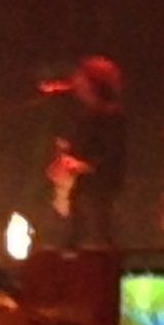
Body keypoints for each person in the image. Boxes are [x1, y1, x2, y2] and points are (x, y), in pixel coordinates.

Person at [40, 55, 127, 252]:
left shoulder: (111, 115)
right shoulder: (85, 115)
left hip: (98, 189)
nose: (75, 81)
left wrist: (76, 163)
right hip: (81, 188)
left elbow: (110, 156)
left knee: (95, 240)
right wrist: (62, 158)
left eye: (81, 77)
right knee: (74, 239)